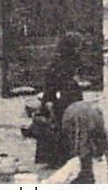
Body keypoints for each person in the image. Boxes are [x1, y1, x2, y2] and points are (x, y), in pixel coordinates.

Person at [34, 33, 85, 167]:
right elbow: (51, 83)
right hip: (60, 97)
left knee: (64, 125)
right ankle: (59, 157)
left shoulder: (71, 60)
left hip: (67, 95)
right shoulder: (59, 64)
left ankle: (62, 156)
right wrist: (50, 101)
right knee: (58, 125)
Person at [62, 97, 108, 184]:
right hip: (91, 111)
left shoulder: (75, 163)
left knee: (83, 144)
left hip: (76, 113)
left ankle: (87, 174)